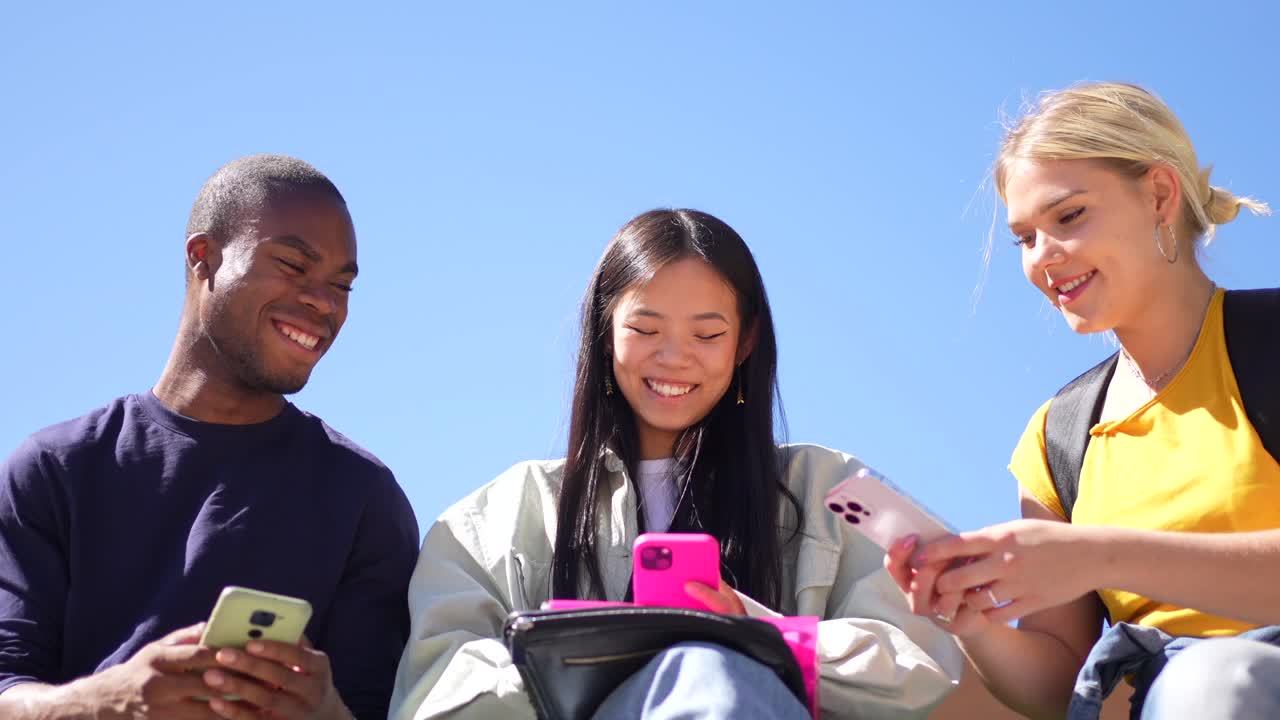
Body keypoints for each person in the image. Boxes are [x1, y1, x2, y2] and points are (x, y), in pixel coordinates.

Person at [389, 209, 962, 719]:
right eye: (644, 329)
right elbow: (432, 692)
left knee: (711, 673)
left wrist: (760, 633)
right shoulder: (496, 517)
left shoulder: (830, 489)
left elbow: (927, 667)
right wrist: (581, 659)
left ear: (745, 343)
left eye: (707, 334)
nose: (673, 357)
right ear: (603, 330)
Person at [884, 82, 1276, 720]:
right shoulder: (1057, 437)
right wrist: (970, 622)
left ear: (1158, 195)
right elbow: (1049, 685)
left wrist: (1094, 555)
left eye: (1068, 218)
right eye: (1024, 238)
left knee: (1214, 682)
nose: (1043, 258)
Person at [0, 155, 420, 720]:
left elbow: (375, 707)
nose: (325, 303)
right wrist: (109, 701)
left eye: (341, 285)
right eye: (294, 266)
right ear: (204, 257)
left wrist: (323, 712)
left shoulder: (363, 499)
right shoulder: (54, 469)